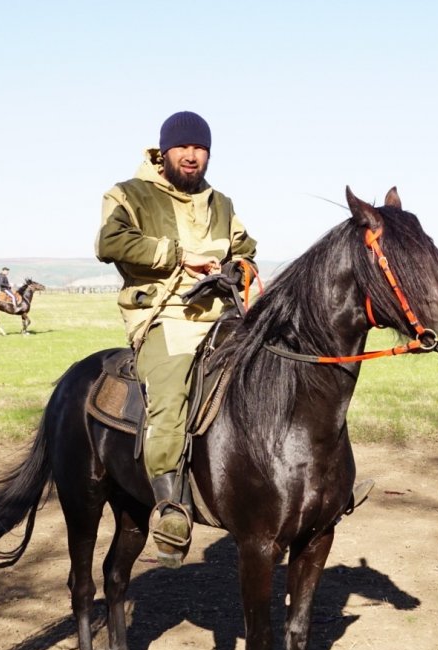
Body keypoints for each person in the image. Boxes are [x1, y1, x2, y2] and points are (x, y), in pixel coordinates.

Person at [95, 111, 257, 567]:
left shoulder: (220, 203)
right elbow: (110, 243)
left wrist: (235, 270)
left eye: (199, 148)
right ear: (164, 151)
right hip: (163, 314)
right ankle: (169, 507)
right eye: (182, 147)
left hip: (221, 314)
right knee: (172, 391)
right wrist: (180, 257)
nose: (191, 155)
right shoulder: (128, 194)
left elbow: (245, 250)